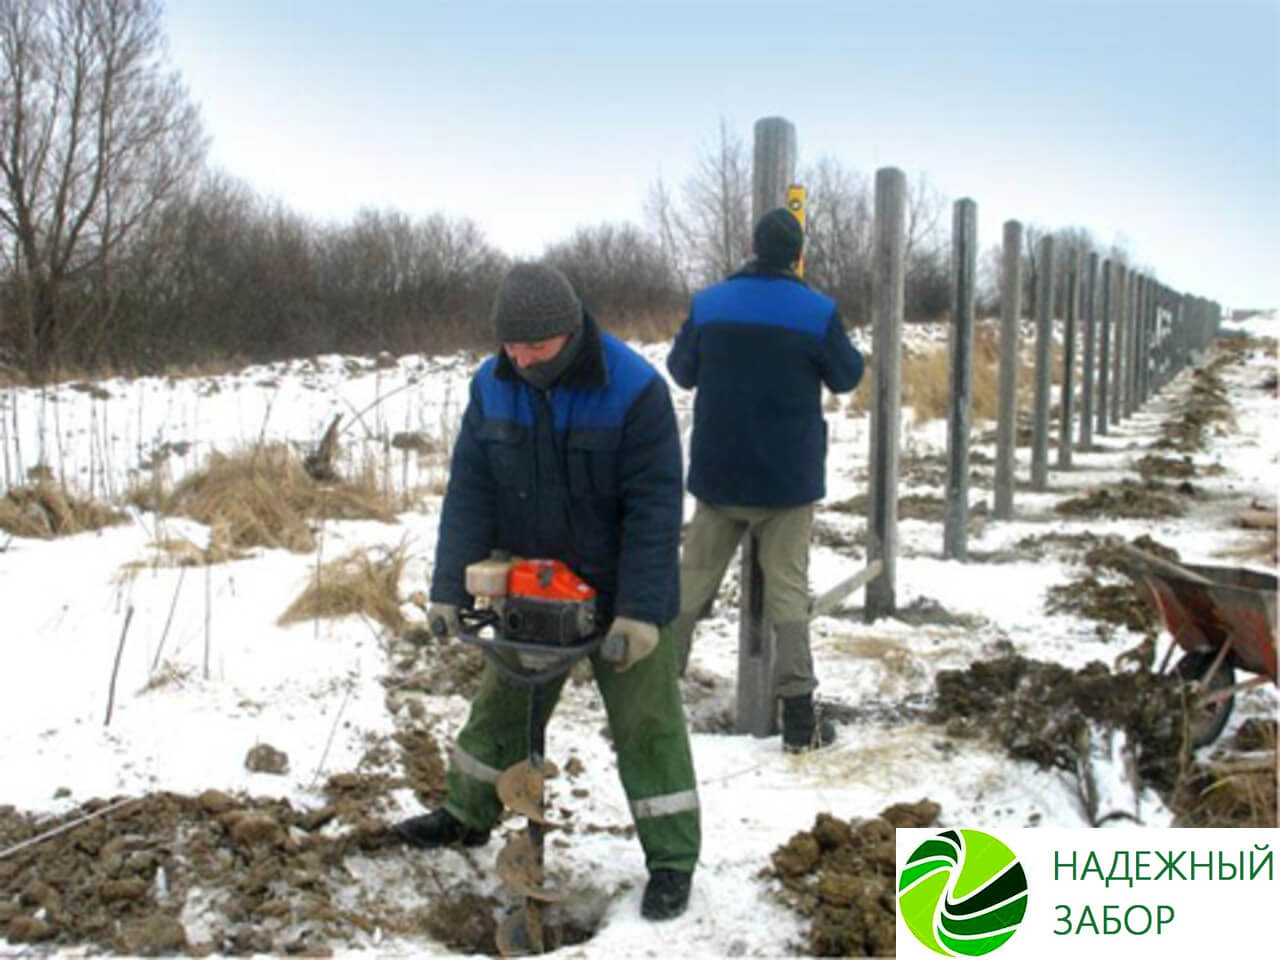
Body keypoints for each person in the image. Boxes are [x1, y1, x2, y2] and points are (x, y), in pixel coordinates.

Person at [391, 262, 700, 922]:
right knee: (502, 709)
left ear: (571, 331)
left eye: (536, 346)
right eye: (511, 344)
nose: (522, 359)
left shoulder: (634, 389)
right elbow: (470, 490)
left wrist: (641, 613)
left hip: (619, 593)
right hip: (534, 587)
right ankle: (465, 815)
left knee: (648, 725)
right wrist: (450, 586)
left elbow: (653, 508)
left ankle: (671, 860)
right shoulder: (491, 384)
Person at [666, 208, 864, 752]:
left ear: (752, 247)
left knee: (691, 584)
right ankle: (799, 718)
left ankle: (655, 699)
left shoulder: (709, 304)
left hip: (719, 474)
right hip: (787, 481)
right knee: (788, 594)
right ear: (797, 255)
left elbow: (680, 370)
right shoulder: (818, 310)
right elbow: (847, 375)